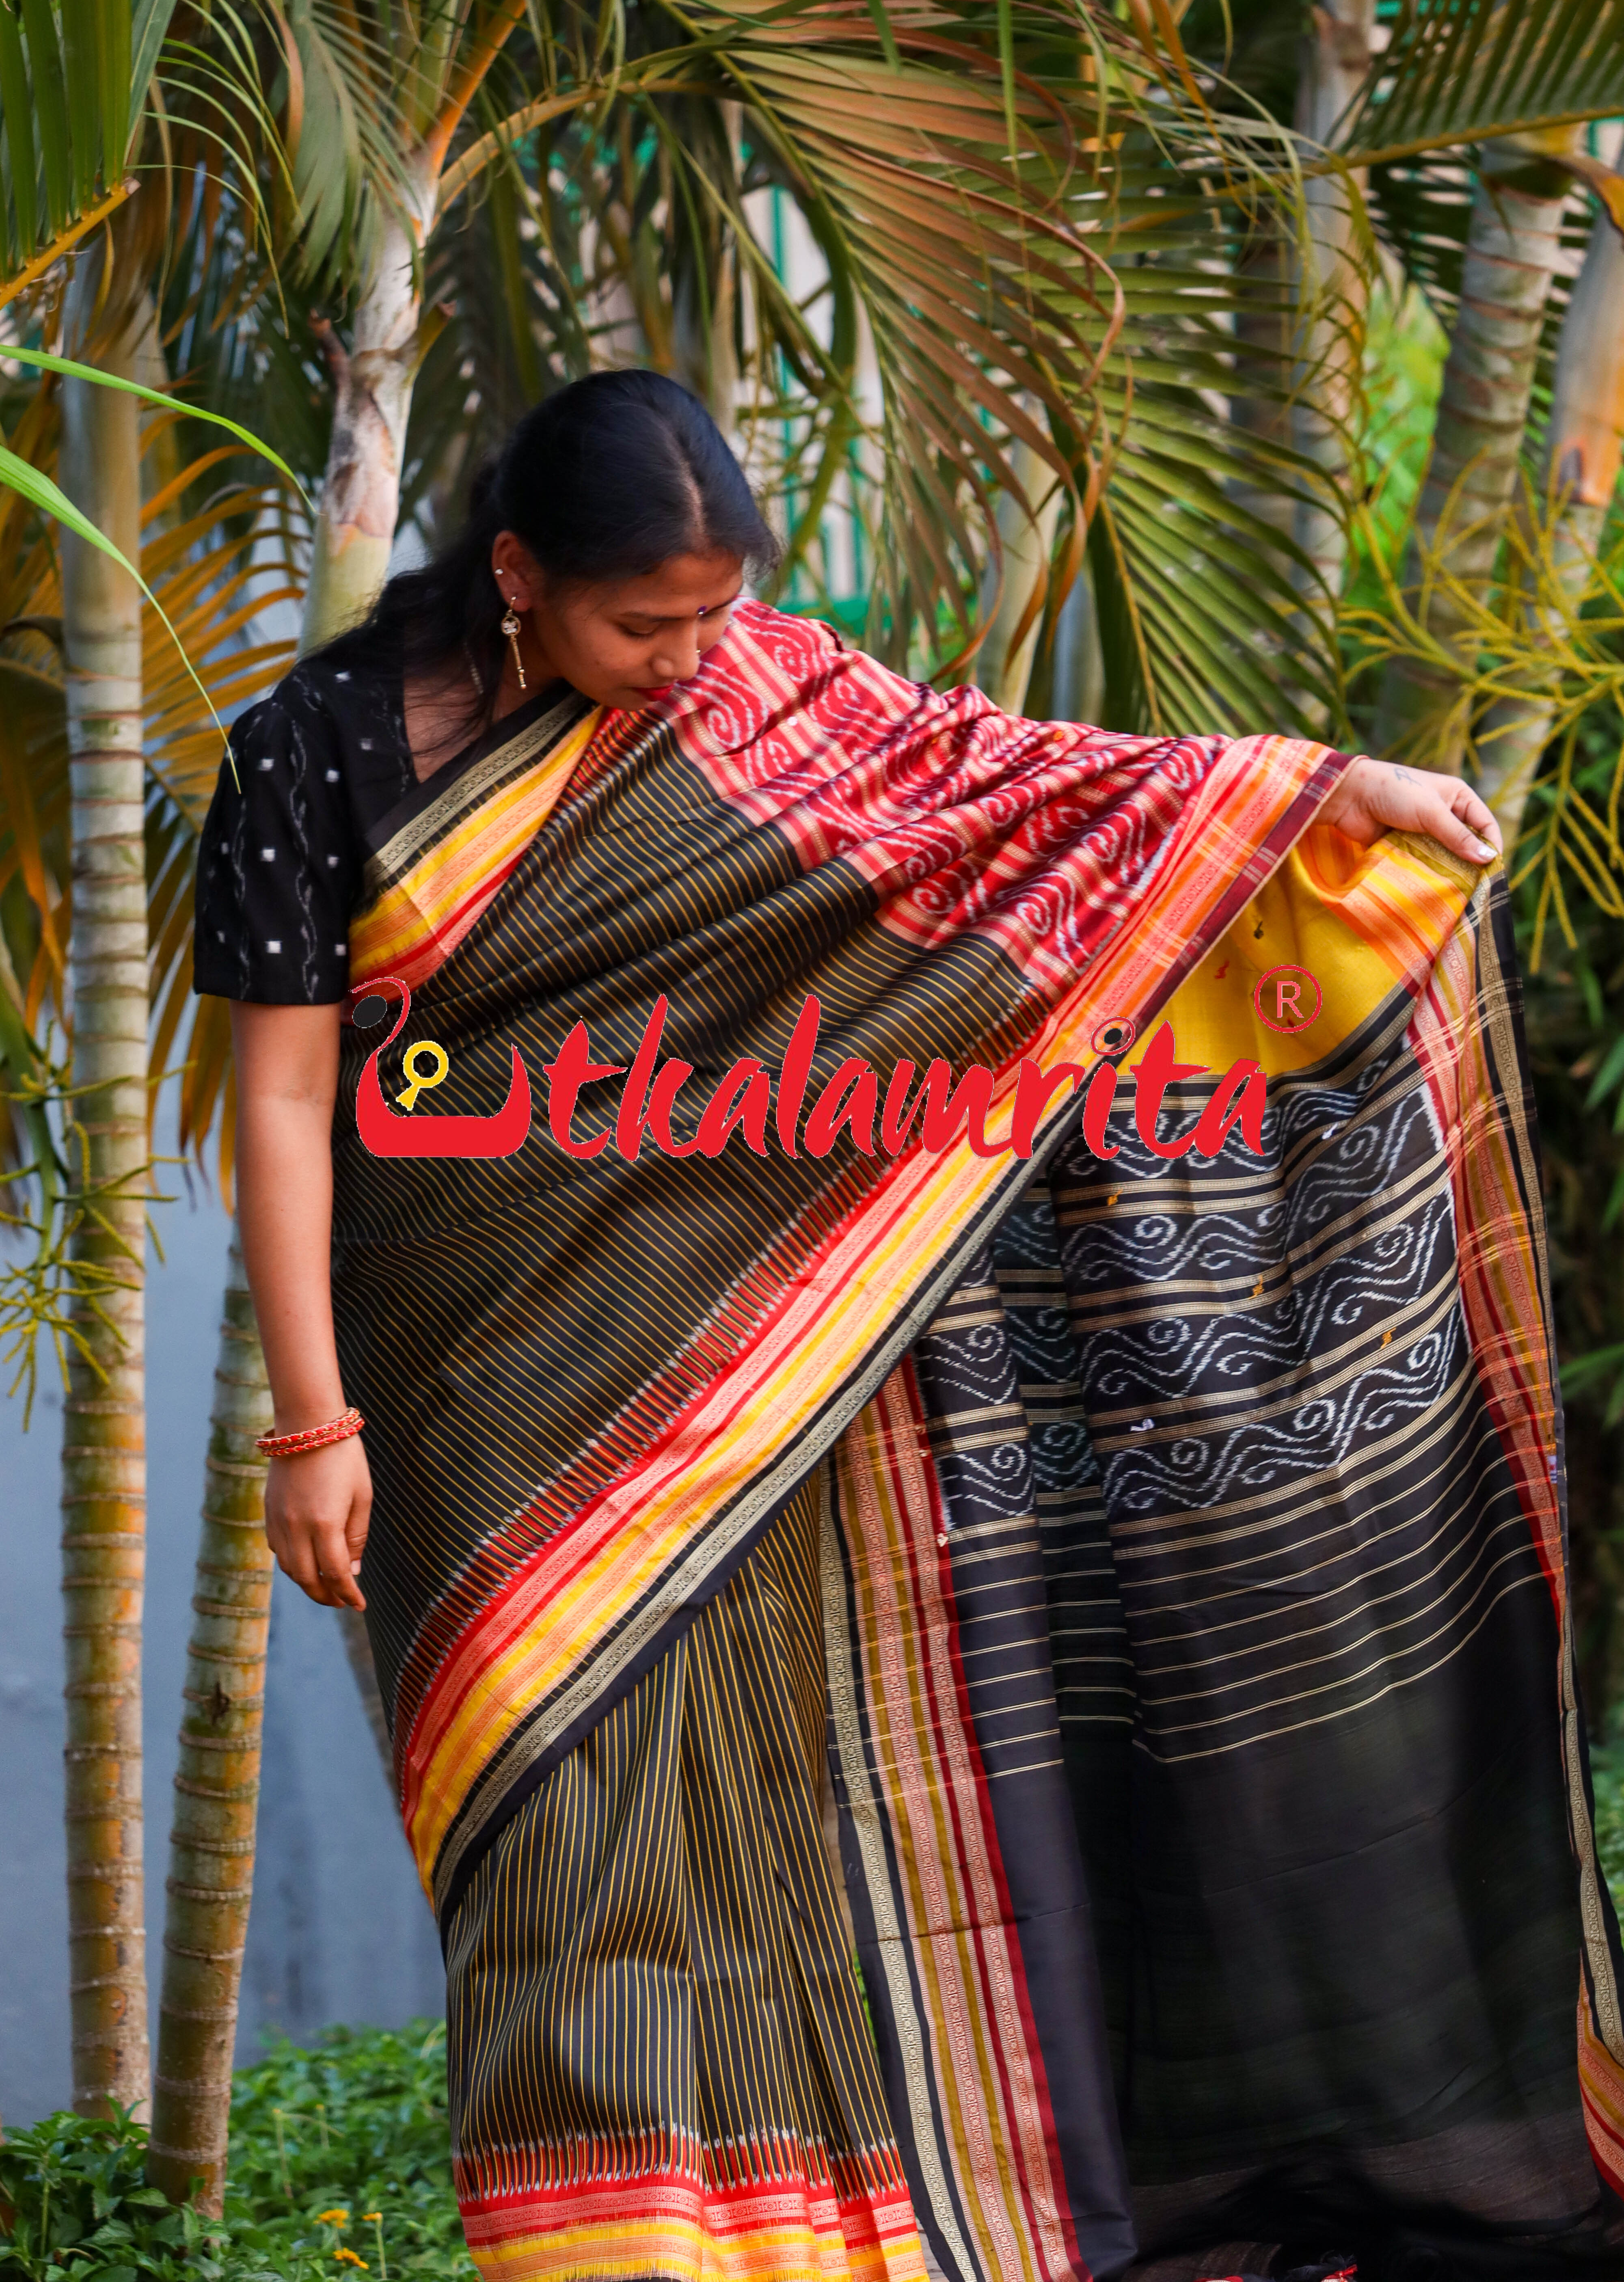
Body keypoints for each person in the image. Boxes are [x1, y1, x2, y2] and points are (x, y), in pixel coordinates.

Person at [196, 371, 1623, 2282]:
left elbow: (1001, 791)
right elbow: (283, 1102)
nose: (685, 660)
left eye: (712, 619)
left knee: (767, 1805)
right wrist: (313, 1419)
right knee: (558, 1828)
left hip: (761, 1357)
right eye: (645, 624)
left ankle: (810, 2237)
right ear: (518, 573)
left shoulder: (760, 693)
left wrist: (1304, 793)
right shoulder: (319, 752)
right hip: (487, 1363)